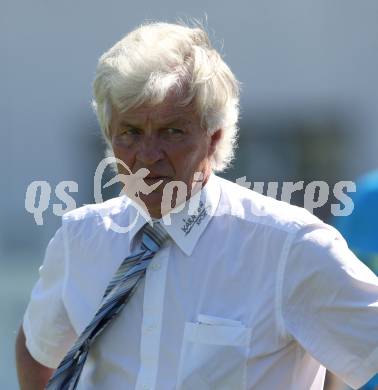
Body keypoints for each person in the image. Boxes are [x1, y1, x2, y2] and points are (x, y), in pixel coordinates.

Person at [15, 22, 378, 390]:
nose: (148, 155)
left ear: (214, 137)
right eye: (130, 133)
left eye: (172, 131)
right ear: (110, 137)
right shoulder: (80, 237)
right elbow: (36, 348)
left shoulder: (292, 247)